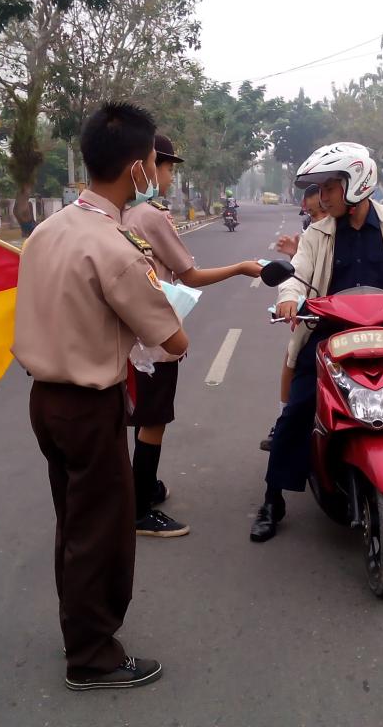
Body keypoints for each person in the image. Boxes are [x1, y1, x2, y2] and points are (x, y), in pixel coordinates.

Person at [14, 102, 187, 691]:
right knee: (103, 535)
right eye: (153, 164)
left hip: (45, 401)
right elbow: (171, 337)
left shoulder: (47, 231)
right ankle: (92, 657)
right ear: (138, 168)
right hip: (90, 407)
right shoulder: (115, 247)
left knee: (74, 524)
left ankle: (79, 634)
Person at [250, 142, 383, 550]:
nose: (321, 197)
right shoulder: (317, 233)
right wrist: (288, 297)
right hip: (329, 337)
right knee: (298, 408)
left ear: (356, 184)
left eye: (329, 187)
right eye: (320, 189)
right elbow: (298, 276)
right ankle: (272, 500)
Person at [123, 134, 262, 538]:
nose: (168, 176)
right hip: (154, 337)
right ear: (147, 168)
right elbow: (189, 274)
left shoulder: (120, 214)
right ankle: (138, 510)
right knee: (154, 422)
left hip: (129, 336)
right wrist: (241, 267)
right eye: (167, 168)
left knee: (141, 414)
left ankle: (143, 486)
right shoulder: (151, 215)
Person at [259, 183, 326, 452]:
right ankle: (284, 421)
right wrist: (290, 300)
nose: (317, 218)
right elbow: (300, 273)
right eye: (312, 213)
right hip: (318, 317)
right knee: (293, 359)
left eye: (320, 210)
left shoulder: (363, 230)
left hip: (361, 319)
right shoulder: (311, 236)